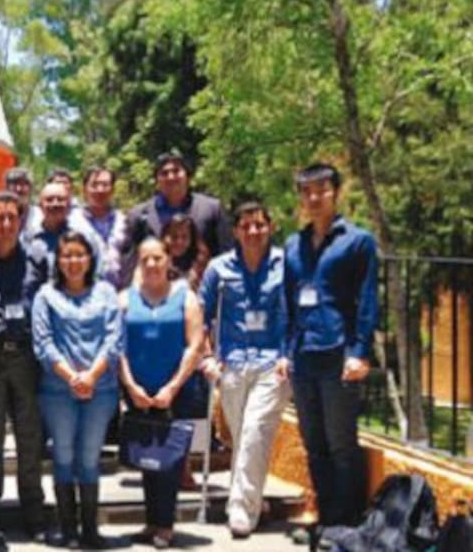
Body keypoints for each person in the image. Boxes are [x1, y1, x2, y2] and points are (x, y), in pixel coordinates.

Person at [284, 163, 378, 541]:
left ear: (335, 193)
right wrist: (285, 351)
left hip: (339, 354)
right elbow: (287, 302)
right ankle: (325, 519)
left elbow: (368, 301)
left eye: (321, 190)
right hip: (302, 355)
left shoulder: (358, 242)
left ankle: (347, 524)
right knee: (315, 444)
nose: (313, 198)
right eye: (306, 191)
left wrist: (360, 351)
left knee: (341, 444)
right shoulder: (293, 245)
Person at [199, 197, 290, 539]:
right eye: (246, 226)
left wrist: (288, 354)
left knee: (254, 433)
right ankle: (256, 501)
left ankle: (241, 510)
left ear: (271, 227)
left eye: (260, 225)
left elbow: (297, 312)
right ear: (236, 231)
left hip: (273, 364)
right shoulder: (219, 269)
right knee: (244, 439)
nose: (254, 231)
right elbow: (201, 315)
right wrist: (207, 357)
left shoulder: (286, 265)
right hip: (232, 363)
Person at [31, 231, 121, 548]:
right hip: (57, 391)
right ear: (57, 260)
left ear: (90, 258)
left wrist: (91, 376)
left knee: (90, 457)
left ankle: (90, 530)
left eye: (79, 254)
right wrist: (72, 377)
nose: (73, 261)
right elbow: (43, 343)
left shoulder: (106, 293)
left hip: (101, 390)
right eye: (67, 255)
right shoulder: (45, 295)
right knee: (64, 455)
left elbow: (114, 340)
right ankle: (69, 530)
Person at [118, 238, 205, 549]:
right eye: (145, 259)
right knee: (147, 458)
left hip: (177, 391)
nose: (152, 265)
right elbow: (118, 348)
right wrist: (131, 387)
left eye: (157, 258)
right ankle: (151, 521)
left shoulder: (186, 297)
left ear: (168, 260)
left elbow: (195, 345)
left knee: (170, 462)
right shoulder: (124, 299)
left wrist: (172, 386)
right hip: (139, 391)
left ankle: (166, 525)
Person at [0, 191, 47, 541]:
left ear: (21, 220)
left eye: (12, 217)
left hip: (26, 357)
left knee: (29, 437)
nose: (6, 224)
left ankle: (33, 512)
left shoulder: (37, 259)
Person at [120, 150, 231, 283]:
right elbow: (129, 261)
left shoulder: (211, 209)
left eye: (176, 171)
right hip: (154, 288)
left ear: (188, 176)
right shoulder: (139, 215)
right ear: (157, 180)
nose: (171, 177)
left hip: (203, 287)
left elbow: (226, 254)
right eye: (164, 173)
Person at [69, 167, 128, 289]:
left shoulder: (124, 221)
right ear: (84, 190)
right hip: (83, 292)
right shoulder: (72, 222)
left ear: (113, 190)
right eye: (94, 185)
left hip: (120, 292)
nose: (100, 190)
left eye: (105, 185)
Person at [161, 214, 209, 291]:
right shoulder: (154, 262)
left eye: (184, 237)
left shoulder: (203, 266)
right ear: (164, 237)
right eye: (174, 236)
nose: (179, 242)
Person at [4, 167, 43, 244]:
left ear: (31, 188)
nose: (19, 189)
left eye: (23, 184)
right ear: (6, 188)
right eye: (14, 184)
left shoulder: (41, 215)